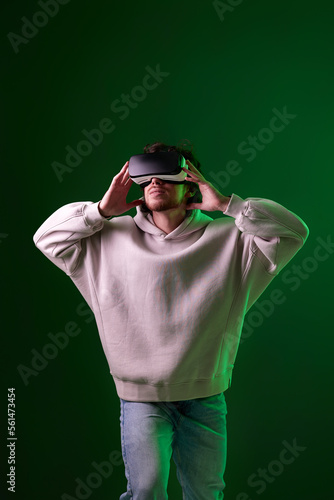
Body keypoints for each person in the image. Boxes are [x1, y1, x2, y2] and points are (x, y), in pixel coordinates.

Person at [33, 141, 309, 499]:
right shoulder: (106, 240)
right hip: (140, 399)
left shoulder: (232, 240)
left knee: (205, 494)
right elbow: (46, 238)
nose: (154, 182)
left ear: (190, 183)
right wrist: (100, 211)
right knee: (145, 492)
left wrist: (228, 204)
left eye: (167, 174)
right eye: (145, 177)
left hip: (205, 397)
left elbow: (293, 231)